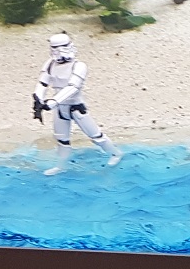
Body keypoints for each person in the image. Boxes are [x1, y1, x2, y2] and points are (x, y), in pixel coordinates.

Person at [32, 33, 123, 176]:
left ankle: (116, 153)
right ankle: (61, 166)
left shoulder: (79, 66)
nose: (60, 51)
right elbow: (42, 83)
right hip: (60, 109)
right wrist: (38, 98)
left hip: (76, 107)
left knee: (96, 135)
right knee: (62, 139)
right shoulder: (50, 64)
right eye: (55, 48)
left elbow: (73, 87)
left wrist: (54, 101)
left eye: (63, 47)